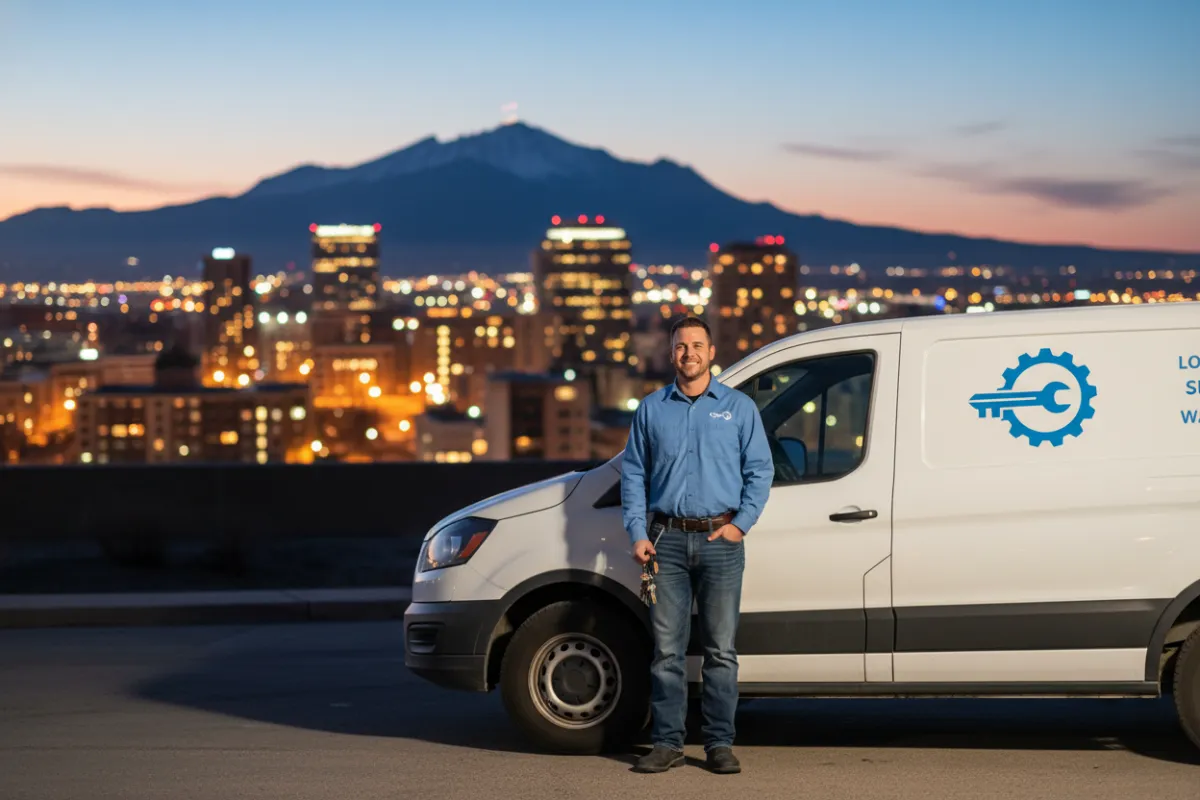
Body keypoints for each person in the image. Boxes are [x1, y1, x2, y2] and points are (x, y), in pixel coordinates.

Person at [620, 315, 773, 774]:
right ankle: (666, 744)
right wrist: (637, 532)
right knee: (667, 650)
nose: (689, 353)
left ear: (711, 352)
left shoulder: (739, 407)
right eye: (681, 346)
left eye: (697, 345)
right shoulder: (651, 409)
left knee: (721, 650)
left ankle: (718, 745)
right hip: (664, 541)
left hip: (721, 541)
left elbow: (760, 471)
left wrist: (740, 525)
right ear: (671, 354)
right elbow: (633, 474)